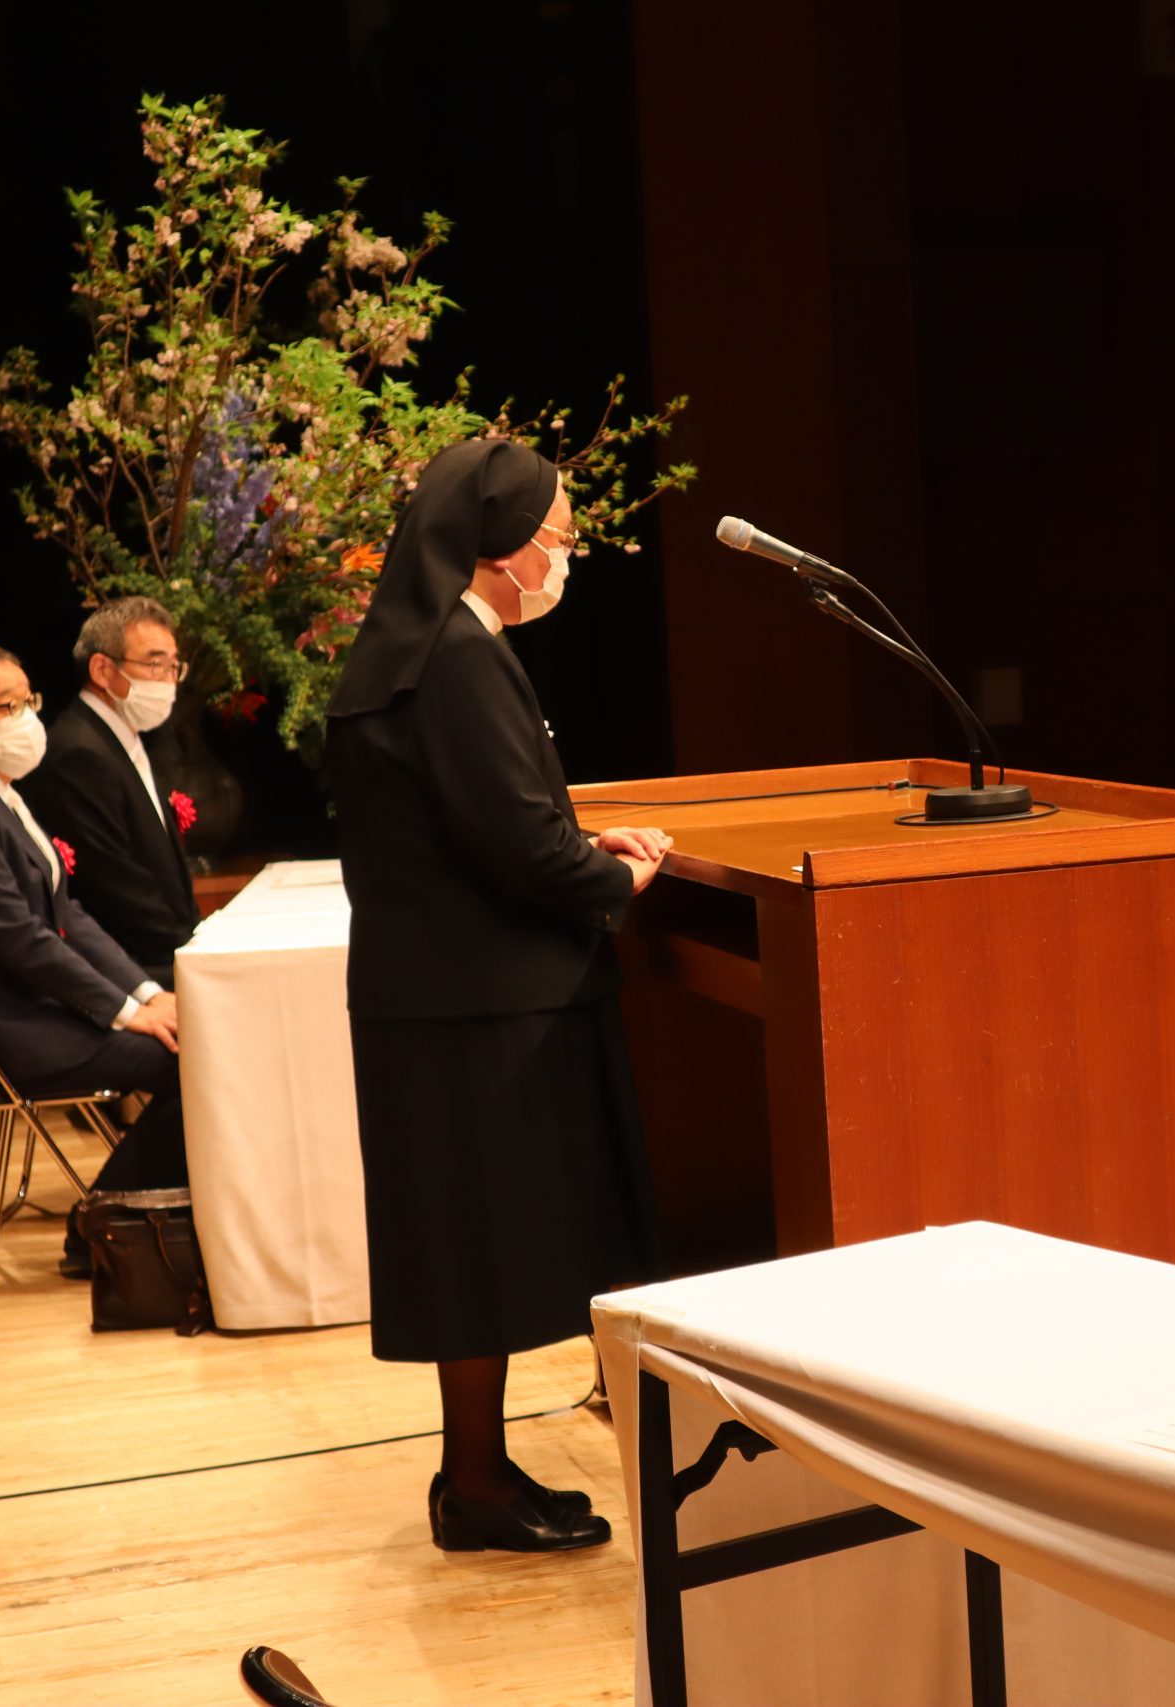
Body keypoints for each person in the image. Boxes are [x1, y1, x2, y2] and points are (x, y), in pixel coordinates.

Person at [325, 438, 670, 1554]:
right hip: (483, 1012)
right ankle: (475, 1486)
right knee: (486, 1253)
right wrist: (612, 878)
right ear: (502, 545)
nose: (564, 556)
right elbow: (513, 846)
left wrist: (575, 841)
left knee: (467, 1253)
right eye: (560, 537)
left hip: (433, 1004)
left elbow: (463, 824)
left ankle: (474, 1472)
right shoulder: (459, 655)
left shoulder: (403, 648)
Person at [0, 644, 192, 1274]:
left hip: (36, 1005)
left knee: (197, 1034)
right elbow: (22, 942)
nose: (27, 717)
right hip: (12, 1026)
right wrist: (125, 1014)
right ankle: (101, 1228)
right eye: (8, 706)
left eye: (29, 700)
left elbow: (65, 915)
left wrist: (145, 993)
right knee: (199, 1062)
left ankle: (150, 1215)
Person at [22, 597, 201, 984]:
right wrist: (190, 952)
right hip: (132, 970)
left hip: (166, 957)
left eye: (174, 667)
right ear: (102, 669)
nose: (168, 680)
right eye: (154, 664)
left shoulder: (121, 737)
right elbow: (114, 884)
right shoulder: (78, 752)